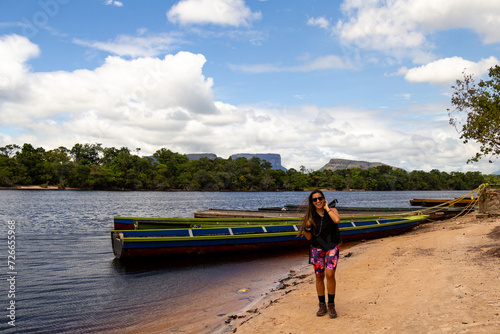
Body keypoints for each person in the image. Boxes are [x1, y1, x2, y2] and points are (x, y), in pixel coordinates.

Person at [298, 189, 341, 318]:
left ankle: (331, 304)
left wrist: (327, 208)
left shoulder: (332, 211)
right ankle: (322, 304)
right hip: (317, 249)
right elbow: (308, 237)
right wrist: (307, 227)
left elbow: (337, 220)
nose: (318, 201)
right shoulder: (309, 217)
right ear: (312, 202)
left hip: (332, 247)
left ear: (324, 199)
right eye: (315, 199)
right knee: (319, 276)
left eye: (320, 198)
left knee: (330, 273)